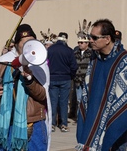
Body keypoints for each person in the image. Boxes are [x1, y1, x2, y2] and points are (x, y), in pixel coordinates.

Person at [0, 24, 52, 151]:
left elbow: (42, 95)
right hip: (4, 124)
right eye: (24, 43)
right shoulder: (1, 62)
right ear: (16, 44)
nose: (29, 46)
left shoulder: (39, 64)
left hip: (31, 124)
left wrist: (30, 79)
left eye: (32, 42)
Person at [76, 19, 127, 151]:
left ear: (107, 39)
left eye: (94, 37)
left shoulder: (123, 61)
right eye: (89, 37)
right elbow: (88, 92)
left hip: (120, 131)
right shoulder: (94, 60)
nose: (90, 40)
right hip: (94, 119)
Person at [48, 32, 78, 133]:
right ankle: (64, 124)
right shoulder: (69, 51)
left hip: (52, 78)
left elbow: (45, 64)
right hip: (65, 78)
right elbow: (74, 66)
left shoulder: (50, 49)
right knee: (64, 102)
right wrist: (71, 76)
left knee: (53, 101)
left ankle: (52, 124)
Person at [69, 20, 93, 119]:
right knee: (79, 99)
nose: (79, 44)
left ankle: (87, 117)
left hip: (87, 81)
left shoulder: (92, 53)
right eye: (78, 42)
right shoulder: (75, 53)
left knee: (87, 100)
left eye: (82, 42)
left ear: (87, 43)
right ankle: (80, 118)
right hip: (78, 80)